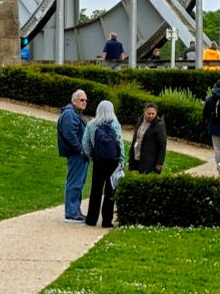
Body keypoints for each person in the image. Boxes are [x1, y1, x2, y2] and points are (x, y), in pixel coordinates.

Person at [82, 99, 124, 228]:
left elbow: (85, 144)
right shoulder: (115, 124)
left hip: (99, 162)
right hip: (113, 162)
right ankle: (106, 221)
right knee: (110, 191)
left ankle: (91, 219)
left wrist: (92, 156)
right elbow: (120, 144)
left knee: (96, 190)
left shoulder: (91, 124)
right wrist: (121, 160)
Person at [57, 89, 89, 221]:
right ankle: (71, 212)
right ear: (74, 100)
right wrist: (80, 149)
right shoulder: (70, 114)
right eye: (82, 100)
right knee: (75, 183)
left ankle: (75, 210)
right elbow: (69, 134)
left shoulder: (75, 113)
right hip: (76, 154)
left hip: (79, 154)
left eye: (86, 100)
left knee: (78, 183)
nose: (84, 102)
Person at [128, 102, 167, 174]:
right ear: (144, 112)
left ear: (156, 113)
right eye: (148, 113)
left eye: (153, 113)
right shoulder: (140, 120)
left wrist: (159, 163)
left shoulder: (159, 125)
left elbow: (162, 144)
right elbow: (136, 137)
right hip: (137, 154)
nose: (151, 115)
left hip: (149, 159)